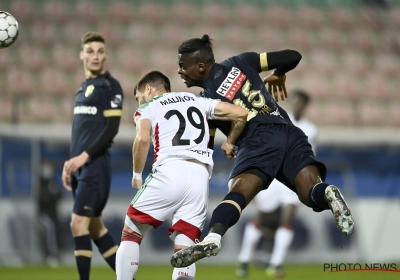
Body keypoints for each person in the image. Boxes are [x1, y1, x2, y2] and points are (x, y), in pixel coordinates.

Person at [170, 35, 354, 268]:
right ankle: (329, 191)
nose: (180, 72)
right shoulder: (241, 61)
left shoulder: (206, 102)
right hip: (288, 131)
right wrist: (280, 73)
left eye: (182, 66)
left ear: (201, 66)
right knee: (311, 195)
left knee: (236, 193)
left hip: (258, 140)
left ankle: (213, 237)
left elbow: (206, 146)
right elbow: (293, 56)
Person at [115, 70, 248, 280]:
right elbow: (240, 113)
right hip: (200, 176)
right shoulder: (198, 101)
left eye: (140, 97)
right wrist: (230, 140)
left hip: (170, 168)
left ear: (148, 89)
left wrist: (136, 174)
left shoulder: (150, 105)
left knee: (131, 232)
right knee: (185, 245)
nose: (140, 101)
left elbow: (142, 139)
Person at [236, 89, 317, 278]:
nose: (296, 105)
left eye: (300, 103)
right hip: (274, 178)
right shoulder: (279, 120)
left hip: (294, 180)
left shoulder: (311, 130)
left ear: (305, 106)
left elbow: (310, 156)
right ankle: (244, 259)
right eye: (295, 101)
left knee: (288, 219)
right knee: (262, 219)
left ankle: (276, 263)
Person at [61, 32, 123, 280]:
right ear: (82, 55)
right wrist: (71, 163)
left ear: (105, 56)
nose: (95, 56)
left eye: (99, 51)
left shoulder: (111, 87)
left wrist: (83, 157)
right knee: (96, 229)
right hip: (80, 166)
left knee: (78, 224)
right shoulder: (83, 88)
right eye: (90, 51)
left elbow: (111, 129)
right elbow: (81, 132)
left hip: (95, 165)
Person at [37, 159, 63, 267]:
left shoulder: (53, 181)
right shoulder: (39, 182)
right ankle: (50, 254)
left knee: (58, 229)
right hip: (42, 214)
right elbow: (41, 198)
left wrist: (52, 195)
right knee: (49, 229)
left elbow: (60, 195)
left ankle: (57, 253)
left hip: (54, 214)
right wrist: (50, 195)